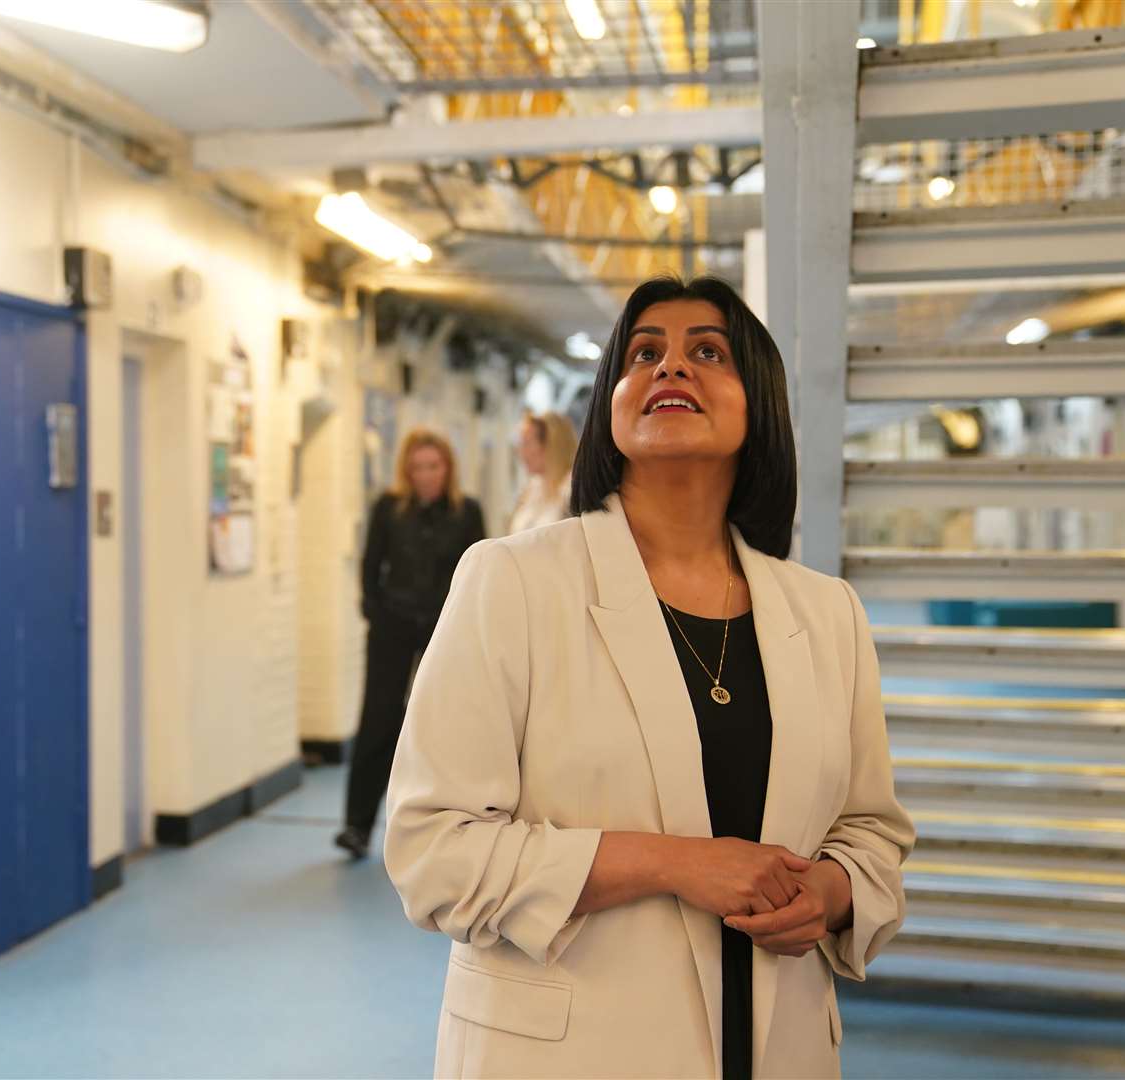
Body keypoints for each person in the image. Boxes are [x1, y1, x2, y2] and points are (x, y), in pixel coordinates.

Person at [383, 276, 914, 1079]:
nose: (671, 367)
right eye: (644, 353)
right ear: (612, 407)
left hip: (779, 1048)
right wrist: (678, 862)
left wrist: (834, 891)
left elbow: (871, 833)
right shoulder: (512, 582)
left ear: (758, 405)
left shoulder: (827, 613)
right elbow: (433, 853)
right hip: (573, 1054)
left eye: (708, 351)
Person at [336, 428, 485, 860]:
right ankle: (356, 826)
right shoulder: (389, 508)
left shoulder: (466, 511)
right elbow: (370, 565)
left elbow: (479, 568)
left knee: (449, 723)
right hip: (393, 624)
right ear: (407, 470)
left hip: (446, 626)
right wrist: (374, 611)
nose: (425, 476)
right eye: (417, 467)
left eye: (433, 466)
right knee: (378, 719)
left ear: (447, 468)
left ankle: (455, 826)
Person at [508, 411, 577, 534]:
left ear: (551, 443)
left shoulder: (572, 490)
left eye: (527, 443)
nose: (522, 452)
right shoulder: (531, 489)